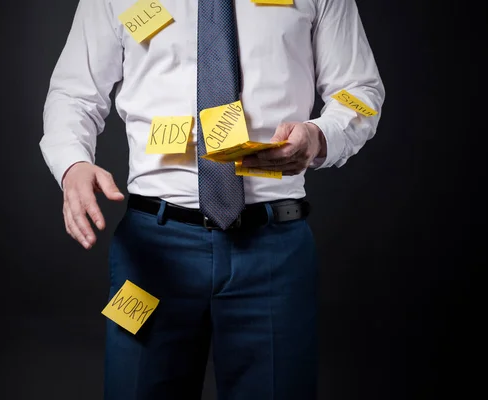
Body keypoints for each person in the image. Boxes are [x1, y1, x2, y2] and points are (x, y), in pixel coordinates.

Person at [40, 0, 384, 398]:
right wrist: (73, 164)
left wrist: (321, 136)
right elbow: (73, 93)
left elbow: (360, 91)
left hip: (274, 252)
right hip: (152, 252)